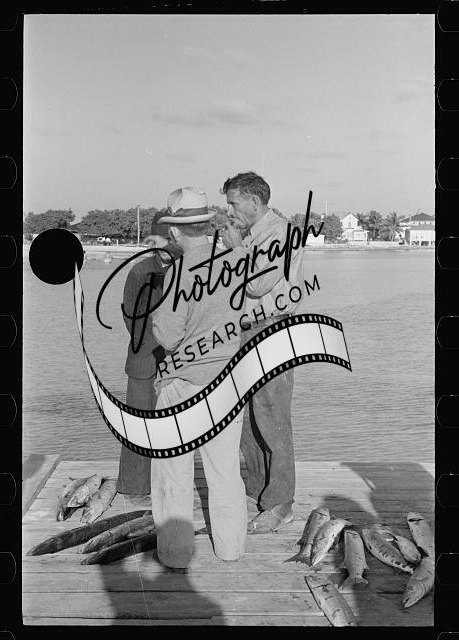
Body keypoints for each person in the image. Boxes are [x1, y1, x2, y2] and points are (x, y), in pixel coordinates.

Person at [151, 186, 247, 570]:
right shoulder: (236, 261)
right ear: (207, 225)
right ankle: (230, 549)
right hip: (228, 381)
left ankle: (175, 555)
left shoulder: (179, 272)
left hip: (184, 382)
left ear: (175, 230)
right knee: (225, 472)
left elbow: (167, 335)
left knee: (173, 473)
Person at [221, 171, 306, 534]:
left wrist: (235, 248)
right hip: (248, 331)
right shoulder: (253, 235)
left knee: (272, 418)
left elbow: (257, 284)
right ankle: (259, 489)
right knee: (247, 419)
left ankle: (281, 504)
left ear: (254, 202)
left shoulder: (282, 234)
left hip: (272, 329)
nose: (229, 211)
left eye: (233, 203)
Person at [116, 212, 182, 505]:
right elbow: (129, 316)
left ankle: (168, 486)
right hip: (144, 358)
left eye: (172, 239)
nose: (166, 246)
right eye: (161, 240)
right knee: (138, 425)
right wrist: (150, 343)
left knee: (173, 426)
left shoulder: (187, 269)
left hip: (178, 360)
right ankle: (133, 488)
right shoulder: (139, 272)